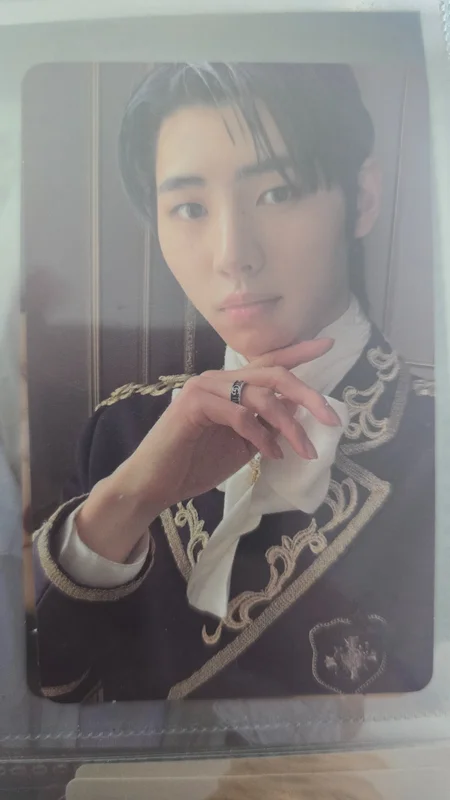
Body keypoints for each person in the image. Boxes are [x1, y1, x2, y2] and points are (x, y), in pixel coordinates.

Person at [32, 62, 434, 704]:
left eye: (277, 193)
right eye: (189, 208)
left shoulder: (432, 446)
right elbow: (49, 695)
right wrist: (126, 503)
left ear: (361, 198)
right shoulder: (122, 432)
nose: (231, 254)